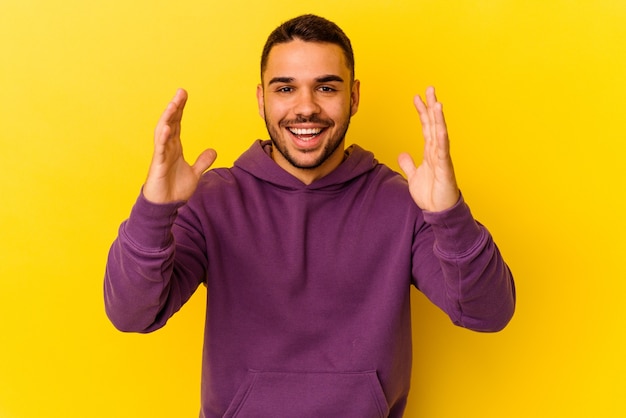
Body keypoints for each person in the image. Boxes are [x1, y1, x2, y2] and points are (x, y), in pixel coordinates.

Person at [104, 14, 515, 418]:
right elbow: (132, 313)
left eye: (326, 87)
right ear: (262, 98)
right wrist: (155, 211)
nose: (306, 108)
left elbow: (488, 312)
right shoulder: (212, 200)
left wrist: (449, 214)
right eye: (285, 88)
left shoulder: (404, 202)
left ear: (353, 97)